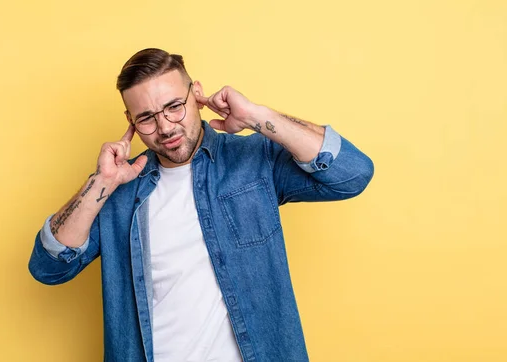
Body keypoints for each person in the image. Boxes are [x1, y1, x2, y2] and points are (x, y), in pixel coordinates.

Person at [28, 48, 374, 362]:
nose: (164, 127)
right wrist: (100, 183)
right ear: (130, 121)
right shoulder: (118, 192)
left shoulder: (253, 161)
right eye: (146, 118)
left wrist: (256, 115)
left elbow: (352, 174)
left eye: (174, 107)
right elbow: (48, 268)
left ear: (196, 94)